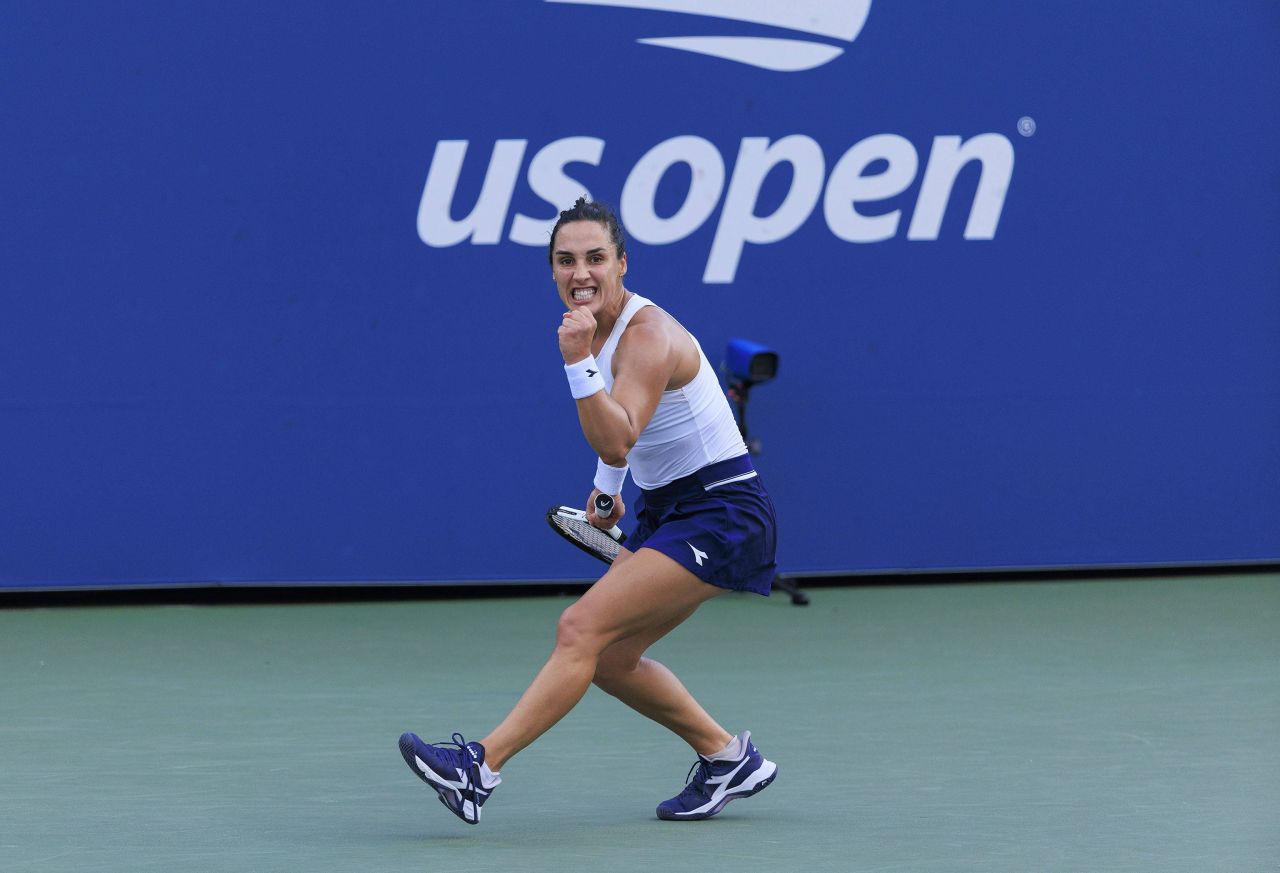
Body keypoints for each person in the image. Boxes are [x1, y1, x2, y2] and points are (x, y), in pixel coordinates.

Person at [399, 197, 778, 825]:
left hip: (723, 511)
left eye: (596, 258)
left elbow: (620, 433)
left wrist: (576, 362)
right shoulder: (593, 327)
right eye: (566, 260)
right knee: (607, 660)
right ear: (552, 270)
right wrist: (607, 490)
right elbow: (624, 443)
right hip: (671, 509)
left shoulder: (646, 335)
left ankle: (478, 769)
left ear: (622, 264)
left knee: (579, 629)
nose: (581, 272)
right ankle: (727, 757)